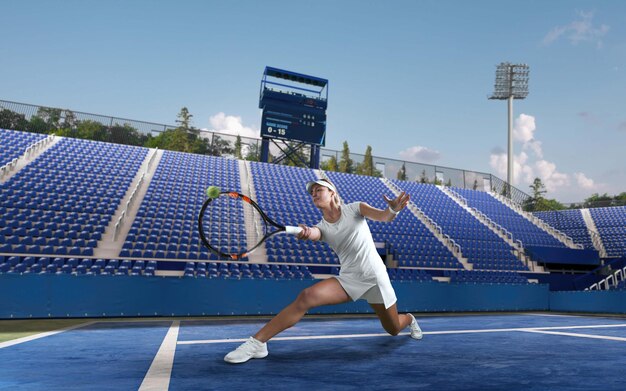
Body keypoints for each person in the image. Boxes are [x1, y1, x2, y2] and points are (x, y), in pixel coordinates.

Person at [224, 178, 422, 364]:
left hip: (376, 278)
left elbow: (384, 216)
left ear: (332, 193)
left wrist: (393, 209)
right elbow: (315, 233)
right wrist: (306, 232)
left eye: (319, 190)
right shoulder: (322, 227)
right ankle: (257, 343)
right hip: (349, 279)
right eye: (312, 193)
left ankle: (410, 319)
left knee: (393, 328)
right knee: (307, 296)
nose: (314, 194)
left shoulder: (355, 208)